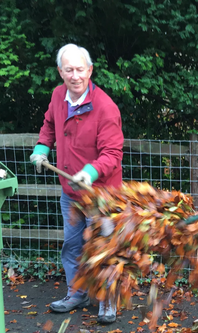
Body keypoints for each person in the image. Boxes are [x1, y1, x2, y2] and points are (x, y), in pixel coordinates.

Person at [29, 43, 124, 324]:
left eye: (80, 69)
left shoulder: (105, 107)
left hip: (101, 196)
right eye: (68, 69)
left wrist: (91, 172)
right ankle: (77, 293)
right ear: (60, 72)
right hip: (70, 194)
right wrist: (42, 148)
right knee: (72, 247)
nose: (75, 75)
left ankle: (108, 301)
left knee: (104, 248)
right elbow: (48, 126)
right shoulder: (58, 96)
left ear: (90, 70)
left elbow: (113, 154)